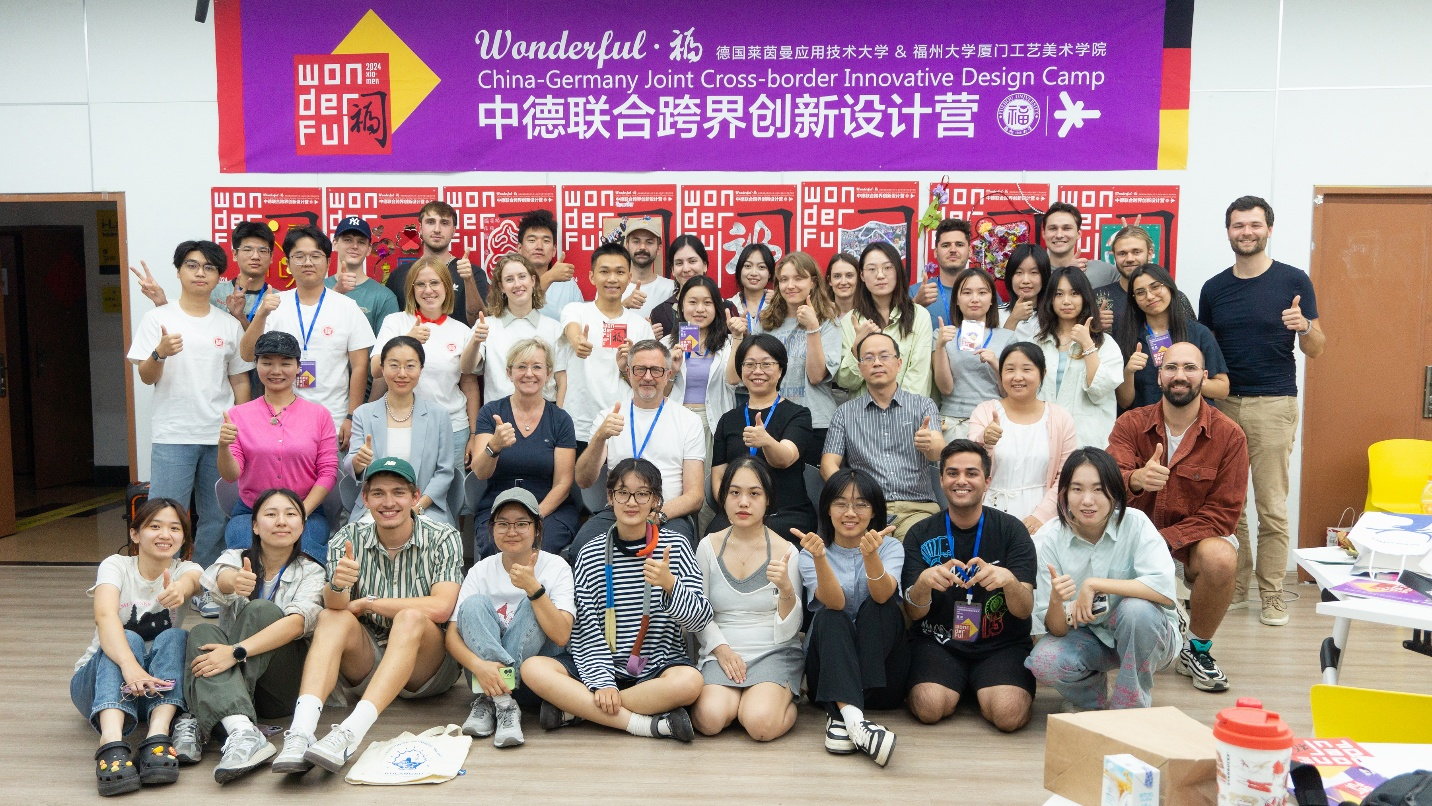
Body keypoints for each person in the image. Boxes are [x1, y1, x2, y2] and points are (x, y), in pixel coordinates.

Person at [271, 457, 464, 774]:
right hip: (369, 659)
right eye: (378, 493)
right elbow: (336, 605)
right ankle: (301, 732)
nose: (388, 502)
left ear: (415, 497)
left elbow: (441, 607)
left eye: (398, 492)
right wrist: (338, 584)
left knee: (411, 618)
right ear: (365, 499)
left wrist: (370, 603)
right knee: (331, 618)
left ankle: (350, 733)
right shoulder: (348, 538)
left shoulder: (443, 536)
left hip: (426, 669)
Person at [1198, 195, 1325, 625]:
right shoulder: (1214, 288)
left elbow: (1317, 348)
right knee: (1227, 505)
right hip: (1223, 405)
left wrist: (1304, 327)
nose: (1246, 232)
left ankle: (1272, 594)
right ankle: (1235, 588)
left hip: (1274, 404)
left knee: (1270, 506)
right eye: (1238, 225)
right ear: (1228, 231)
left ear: (1269, 229)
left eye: (1254, 225)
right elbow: (1207, 350)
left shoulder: (1293, 280)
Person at [521, 459, 712, 743]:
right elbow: (584, 630)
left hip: (657, 666)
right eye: (623, 493)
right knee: (533, 669)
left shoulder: (677, 547)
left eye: (642, 493)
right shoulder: (590, 553)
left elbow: (700, 619)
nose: (631, 502)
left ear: (656, 501)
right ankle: (644, 724)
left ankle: (580, 710)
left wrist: (670, 585)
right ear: (610, 498)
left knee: (690, 682)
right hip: (598, 665)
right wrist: (602, 682)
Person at [1108, 342, 1250, 693]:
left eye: (1189, 368)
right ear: (1159, 376)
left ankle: (1196, 649)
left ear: (1204, 376)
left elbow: (1223, 514)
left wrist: (1164, 541)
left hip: (1192, 540)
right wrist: (1136, 479)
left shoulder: (1230, 435)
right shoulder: (1130, 423)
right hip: (1133, 536)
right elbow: (1108, 484)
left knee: (1221, 557)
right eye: (1171, 368)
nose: (1180, 375)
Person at [180, 488, 325, 782]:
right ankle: (243, 731)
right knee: (202, 631)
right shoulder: (237, 557)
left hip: (278, 688)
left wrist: (236, 652)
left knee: (262, 610)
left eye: (290, 514)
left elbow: (297, 624)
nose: (281, 521)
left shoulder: (312, 571)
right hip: (233, 679)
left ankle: (205, 713)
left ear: (302, 525)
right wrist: (234, 581)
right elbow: (216, 578)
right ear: (255, 526)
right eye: (271, 514)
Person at [127, 241, 252, 579]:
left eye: (209, 267)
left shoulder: (228, 324)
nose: (200, 273)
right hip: (173, 434)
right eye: (192, 265)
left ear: (218, 276)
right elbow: (146, 376)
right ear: (179, 271)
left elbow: (240, 381)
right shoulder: (158, 318)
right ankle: (161, 584)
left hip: (219, 438)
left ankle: (204, 583)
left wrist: (240, 427)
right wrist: (159, 353)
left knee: (217, 517)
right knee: (165, 516)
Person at [1027, 449, 1179, 710]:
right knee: (1043, 662)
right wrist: (1055, 601)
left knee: (1137, 611)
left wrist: (1094, 584)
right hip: (1089, 637)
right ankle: (1090, 701)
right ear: (1063, 494)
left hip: (1147, 634)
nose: (1087, 500)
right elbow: (1055, 629)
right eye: (1077, 489)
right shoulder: (1049, 539)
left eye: (1098, 489)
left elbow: (1163, 590)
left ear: (1115, 492)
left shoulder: (1136, 524)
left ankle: (1130, 705)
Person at [902, 440, 1037, 732]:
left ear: (987, 481)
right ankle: (960, 686)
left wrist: (1009, 581)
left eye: (971, 473)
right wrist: (923, 584)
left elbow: (1024, 609)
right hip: (938, 642)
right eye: (952, 473)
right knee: (928, 706)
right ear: (941, 479)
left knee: (1009, 714)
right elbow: (913, 613)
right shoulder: (919, 533)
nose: (961, 480)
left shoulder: (1012, 531)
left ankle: (978, 687)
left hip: (1000, 645)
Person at [71, 498, 202, 796]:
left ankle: (157, 734)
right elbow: (105, 616)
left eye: (174, 528)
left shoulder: (186, 569)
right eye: (155, 526)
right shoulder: (116, 565)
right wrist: (130, 666)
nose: (165, 535)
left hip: (154, 687)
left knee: (176, 636)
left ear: (184, 537)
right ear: (135, 534)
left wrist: (181, 588)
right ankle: (111, 741)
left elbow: (193, 580)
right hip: (97, 686)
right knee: (126, 637)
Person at [795, 469, 906, 767]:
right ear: (827, 509)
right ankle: (857, 722)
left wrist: (871, 556)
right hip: (828, 671)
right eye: (841, 503)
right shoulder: (811, 552)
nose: (850, 513)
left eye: (861, 504)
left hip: (881, 680)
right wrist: (820, 558)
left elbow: (882, 596)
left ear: (874, 511)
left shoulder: (891, 546)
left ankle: (842, 718)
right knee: (831, 617)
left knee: (880, 606)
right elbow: (836, 602)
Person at [449, 489, 575, 748]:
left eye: (521, 524)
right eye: (503, 524)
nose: (512, 531)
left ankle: (491, 699)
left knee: (534, 604)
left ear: (537, 529)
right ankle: (503, 702)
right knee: (473, 605)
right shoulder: (481, 570)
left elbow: (562, 636)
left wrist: (534, 589)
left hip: (535, 676)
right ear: (492, 529)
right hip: (482, 676)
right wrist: (478, 665)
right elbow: (452, 635)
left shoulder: (557, 567)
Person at [691, 458, 803, 742]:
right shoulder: (707, 546)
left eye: (754, 494)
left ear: (768, 500)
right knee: (708, 719)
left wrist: (786, 590)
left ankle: (783, 699)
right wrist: (722, 650)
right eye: (735, 492)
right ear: (723, 498)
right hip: (722, 650)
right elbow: (698, 611)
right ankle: (745, 702)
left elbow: (790, 631)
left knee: (760, 724)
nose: (743, 502)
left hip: (773, 651)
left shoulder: (787, 551)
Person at [241, 226, 375, 451]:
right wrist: (262, 313)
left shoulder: (347, 307)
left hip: (333, 419)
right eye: (299, 256)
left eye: (315, 256)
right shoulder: (274, 304)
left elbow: (360, 366)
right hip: (279, 421)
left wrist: (351, 416)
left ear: (328, 261)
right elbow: (246, 355)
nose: (308, 262)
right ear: (288, 262)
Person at [573, 339, 706, 550]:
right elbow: (583, 480)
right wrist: (599, 438)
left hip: (666, 513)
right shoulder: (608, 417)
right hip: (618, 511)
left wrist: (657, 515)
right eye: (640, 369)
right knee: (582, 546)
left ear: (668, 374)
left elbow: (695, 496)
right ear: (628, 372)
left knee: (675, 549)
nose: (647, 377)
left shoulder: (689, 421)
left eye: (656, 370)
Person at [372, 255, 477, 518]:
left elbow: (469, 383)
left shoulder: (460, 330)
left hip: (453, 427)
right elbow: (375, 370)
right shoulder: (396, 322)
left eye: (435, 283)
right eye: (420, 284)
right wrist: (406, 340)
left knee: (451, 502)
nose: (428, 290)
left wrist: (474, 434)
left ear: (447, 287)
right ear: (411, 289)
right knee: (402, 494)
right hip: (402, 423)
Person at [219, 332, 337, 562]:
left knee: (305, 557)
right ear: (256, 365)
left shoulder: (319, 415)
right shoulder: (238, 415)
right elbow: (231, 475)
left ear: (298, 367)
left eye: (285, 363)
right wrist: (223, 447)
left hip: (306, 510)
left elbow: (328, 472)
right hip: (251, 512)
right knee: (245, 558)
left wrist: (300, 513)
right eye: (267, 363)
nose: (276, 371)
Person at [822, 332, 945, 540]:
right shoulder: (845, 413)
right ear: (860, 367)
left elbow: (938, 452)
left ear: (899, 363)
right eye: (869, 358)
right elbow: (827, 465)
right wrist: (853, 497)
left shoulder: (923, 405)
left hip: (916, 508)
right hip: (866, 511)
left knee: (916, 549)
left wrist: (929, 444)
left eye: (884, 356)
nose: (877, 363)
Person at [471, 338, 580, 558]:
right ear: (509, 373)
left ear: (548, 374)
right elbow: (480, 472)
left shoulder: (560, 419)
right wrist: (494, 446)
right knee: (498, 548)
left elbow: (563, 483)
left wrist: (533, 516)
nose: (529, 374)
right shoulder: (491, 412)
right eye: (521, 367)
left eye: (537, 367)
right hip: (500, 505)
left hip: (548, 507)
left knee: (538, 549)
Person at [710, 334, 817, 540]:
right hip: (738, 512)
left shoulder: (798, 414)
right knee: (713, 538)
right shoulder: (728, 419)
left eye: (766, 364)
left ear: (780, 370)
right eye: (749, 364)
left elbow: (784, 459)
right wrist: (730, 507)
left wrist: (766, 441)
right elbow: (719, 477)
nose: (757, 371)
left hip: (784, 512)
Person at [344, 337, 457, 527]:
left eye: (410, 366)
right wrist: (358, 462)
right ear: (382, 368)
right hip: (376, 510)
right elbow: (351, 463)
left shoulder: (438, 415)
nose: (402, 373)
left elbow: (444, 472)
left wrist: (416, 508)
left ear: (421, 369)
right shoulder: (364, 414)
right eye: (394, 365)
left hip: (424, 510)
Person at [967, 342, 1078, 534]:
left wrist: (1042, 516)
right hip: (991, 510)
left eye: (1027, 369)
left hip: (1042, 516)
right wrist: (984, 439)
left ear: (1042, 373)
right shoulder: (984, 412)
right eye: (1010, 369)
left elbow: (1066, 475)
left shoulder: (1060, 417)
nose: (1017, 377)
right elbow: (969, 463)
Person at [557, 242, 656, 454]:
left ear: (629, 277)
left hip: (624, 425)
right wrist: (578, 342)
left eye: (619, 272)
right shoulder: (576, 310)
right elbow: (572, 329)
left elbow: (648, 381)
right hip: (578, 427)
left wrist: (627, 368)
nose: (612, 279)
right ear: (592, 277)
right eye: (604, 272)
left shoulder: (641, 326)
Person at [756, 251, 843, 455]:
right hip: (772, 419)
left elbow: (816, 376)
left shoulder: (828, 320)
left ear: (813, 282)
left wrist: (812, 327)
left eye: (798, 278)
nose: (790, 285)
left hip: (816, 421)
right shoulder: (766, 321)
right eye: (784, 280)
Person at [1114, 265, 1229, 410]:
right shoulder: (1127, 336)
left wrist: (1184, 379)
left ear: (1169, 287)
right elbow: (1124, 402)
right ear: (1134, 299)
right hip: (1145, 420)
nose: (1149, 296)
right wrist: (1129, 371)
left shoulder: (1198, 333)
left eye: (1155, 287)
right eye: (1140, 292)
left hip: (1190, 420)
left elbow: (1222, 390)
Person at [1033, 267, 1124, 449]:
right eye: (1059, 294)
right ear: (1050, 299)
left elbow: (1099, 389)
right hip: (1043, 440)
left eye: (1074, 293)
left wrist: (1088, 344)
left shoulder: (1105, 344)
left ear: (1085, 297)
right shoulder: (1037, 342)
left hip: (1087, 442)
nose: (1066, 301)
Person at [128, 222, 274, 332]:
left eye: (262, 251)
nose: (255, 256)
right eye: (247, 249)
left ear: (271, 256)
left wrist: (240, 317)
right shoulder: (210, 290)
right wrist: (162, 304)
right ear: (235, 254)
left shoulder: (277, 299)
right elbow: (185, 325)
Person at [837, 243, 934, 397]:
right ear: (862, 275)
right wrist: (857, 346)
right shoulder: (851, 320)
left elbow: (918, 376)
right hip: (863, 410)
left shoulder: (919, 316)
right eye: (872, 269)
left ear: (898, 271)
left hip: (908, 410)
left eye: (887, 267)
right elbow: (846, 382)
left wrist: (898, 409)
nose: (880, 275)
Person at [932, 267, 1014, 441]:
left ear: (992, 299)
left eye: (982, 292)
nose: (974, 299)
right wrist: (940, 346)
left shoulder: (1007, 337)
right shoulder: (942, 335)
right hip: (953, 421)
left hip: (992, 420)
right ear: (957, 300)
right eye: (967, 293)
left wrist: (996, 365)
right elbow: (946, 389)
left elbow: (1008, 393)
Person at [477, 252, 563, 403]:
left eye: (522, 277)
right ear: (501, 287)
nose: (517, 284)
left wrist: (558, 414)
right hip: (499, 412)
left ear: (533, 281)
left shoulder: (555, 328)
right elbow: (467, 368)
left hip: (545, 410)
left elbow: (562, 381)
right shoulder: (486, 325)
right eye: (509, 279)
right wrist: (475, 341)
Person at [383, 200, 488, 325]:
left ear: (454, 230)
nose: (437, 229)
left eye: (444, 223)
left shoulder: (473, 274)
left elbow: (478, 323)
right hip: (411, 338)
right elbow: (391, 325)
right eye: (430, 222)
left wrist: (468, 280)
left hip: (461, 338)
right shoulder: (399, 275)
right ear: (421, 229)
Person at [664, 275, 736, 443]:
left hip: (714, 421)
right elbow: (659, 394)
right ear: (682, 306)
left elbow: (735, 381)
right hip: (676, 421)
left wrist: (738, 337)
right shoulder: (666, 344)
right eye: (693, 302)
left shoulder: (730, 344)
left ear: (716, 307)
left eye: (707, 303)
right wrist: (672, 371)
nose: (700, 309)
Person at [1092, 225, 1194, 336]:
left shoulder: (1174, 298)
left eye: (1136, 252)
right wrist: (1094, 328)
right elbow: (1081, 340)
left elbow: (1194, 337)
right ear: (1114, 256)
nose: (1130, 259)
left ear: (1150, 253)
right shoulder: (1098, 297)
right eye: (1122, 253)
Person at [326, 216, 400, 340]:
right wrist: (335, 293)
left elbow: (389, 347)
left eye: (361, 242)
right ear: (335, 244)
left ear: (369, 249)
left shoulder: (384, 297)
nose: (355, 246)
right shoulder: (317, 289)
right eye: (348, 240)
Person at [650, 235, 737, 338]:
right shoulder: (660, 313)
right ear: (672, 270)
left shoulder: (726, 309)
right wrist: (649, 338)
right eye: (679, 263)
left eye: (692, 261)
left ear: (705, 265)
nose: (686, 269)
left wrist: (741, 334)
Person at [516, 210, 584, 321]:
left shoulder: (567, 285)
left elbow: (580, 321)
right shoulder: (511, 280)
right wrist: (550, 277)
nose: (539, 246)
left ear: (554, 250)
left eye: (546, 241)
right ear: (519, 248)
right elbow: (516, 310)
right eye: (532, 240)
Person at [1041, 201, 1119, 288]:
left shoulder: (1101, 271)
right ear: (1044, 234)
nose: (1059, 235)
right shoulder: (1035, 274)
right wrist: (1066, 272)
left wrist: (1130, 242)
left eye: (1067, 228)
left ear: (1078, 234)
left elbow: (1129, 284)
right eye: (1053, 228)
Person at [910, 218, 972, 324]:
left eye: (959, 245)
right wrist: (916, 305)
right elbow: (896, 331)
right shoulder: (915, 292)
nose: (953, 250)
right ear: (935, 252)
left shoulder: (985, 291)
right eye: (946, 245)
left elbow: (999, 329)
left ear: (970, 251)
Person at [613, 217, 673, 318]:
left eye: (649, 242)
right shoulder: (611, 286)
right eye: (636, 241)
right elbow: (600, 323)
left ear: (659, 249)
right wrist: (624, 305)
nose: (642, 247)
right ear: (627, 246)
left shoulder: (671, 289)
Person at [1000, 243, 1051, 341]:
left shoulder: (1054, 315)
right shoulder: (997, 314)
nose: (1026, 280)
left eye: (1034, 273)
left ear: (1044, 276)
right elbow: (995, 349)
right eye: (1019, 273)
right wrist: (1013, 319)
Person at [728, 242, 776, 336]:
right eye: (748, 266)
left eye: (761, 267)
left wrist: (779, 303)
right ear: (740, 271)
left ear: (769, 273)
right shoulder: (728, 306)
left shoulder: (778, 304)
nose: (754, 273)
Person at [824, 252, 860, 325]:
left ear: (858, 278)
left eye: (849, 275)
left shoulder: (870, 315)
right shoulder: (821, 316)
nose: (843, 282)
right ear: (829, 280)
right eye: (837, 276)